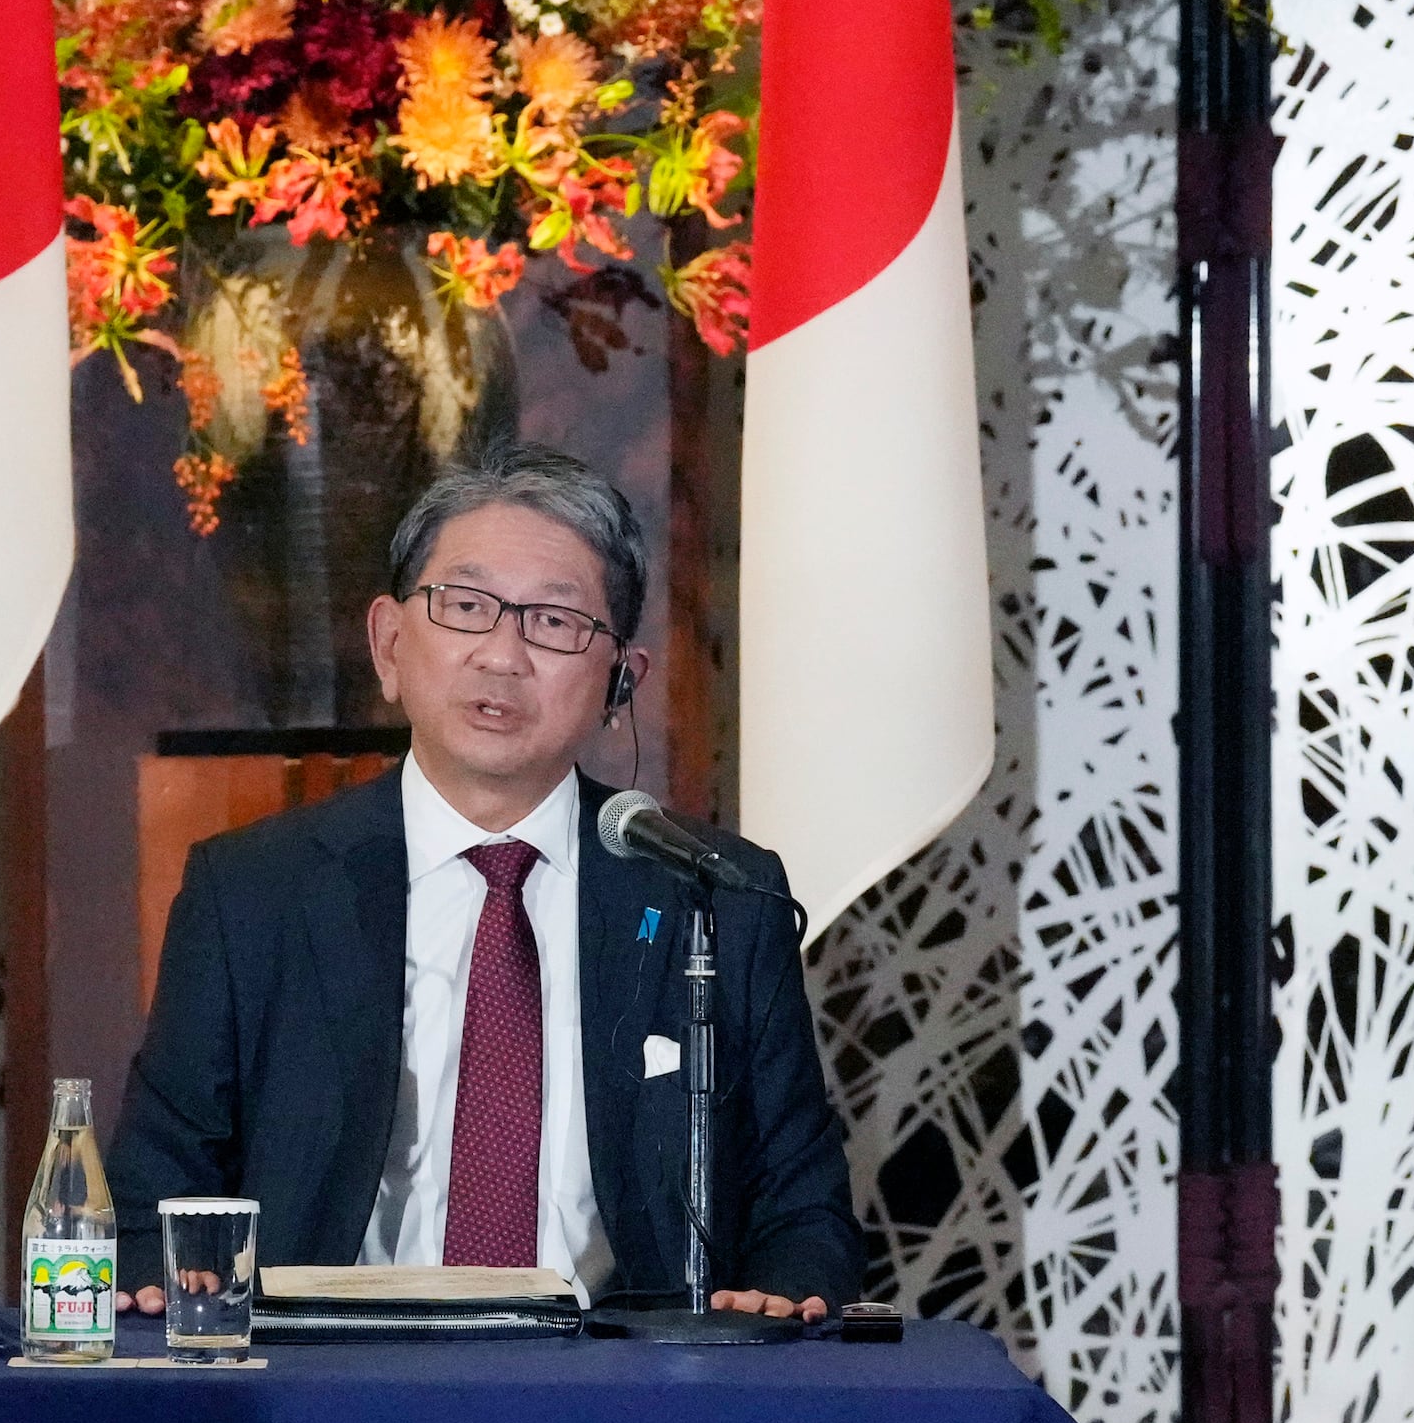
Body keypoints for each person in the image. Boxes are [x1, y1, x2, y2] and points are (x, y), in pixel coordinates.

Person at [109, 444, 867, 1320]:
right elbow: (151, 1201)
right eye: (465, 607)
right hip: (323, 1393)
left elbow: (805, 1216)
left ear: (621, 679)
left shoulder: (717, 897)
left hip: (625, 1404)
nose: (502, 654)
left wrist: (775, 1305)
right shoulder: (252, 893)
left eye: (553, 621)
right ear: (390, 642)